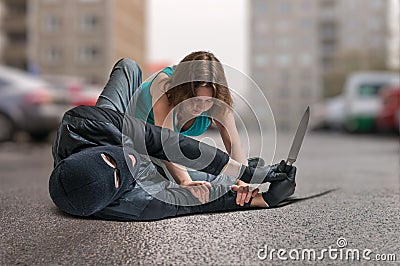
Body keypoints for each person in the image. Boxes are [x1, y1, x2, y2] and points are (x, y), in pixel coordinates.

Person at [48, 59, 297, 221]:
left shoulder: (80, 124)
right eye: (118, 176)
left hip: (112, 130)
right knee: (204, 182)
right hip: (149, 173)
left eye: (111, 159)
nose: (130, 160)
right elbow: (189, 204)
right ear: (117, 196)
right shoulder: (139, 205)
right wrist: (261, 200)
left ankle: (243, 168)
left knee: (129, 67)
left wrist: (246, 170)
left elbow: (162, 140)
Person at [97, 52, 248, 190]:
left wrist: (244, 181)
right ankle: (93, 134)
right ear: (182, 90)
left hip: (148, 151)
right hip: (121, 124)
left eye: (207, 101)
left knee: (219, 181)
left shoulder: (217, 102)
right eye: (194, 99)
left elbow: (234, 143)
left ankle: (249, 167)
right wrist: (185, 182)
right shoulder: (165, 86)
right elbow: (165, 141)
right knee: (128, 65)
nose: (201, 106)